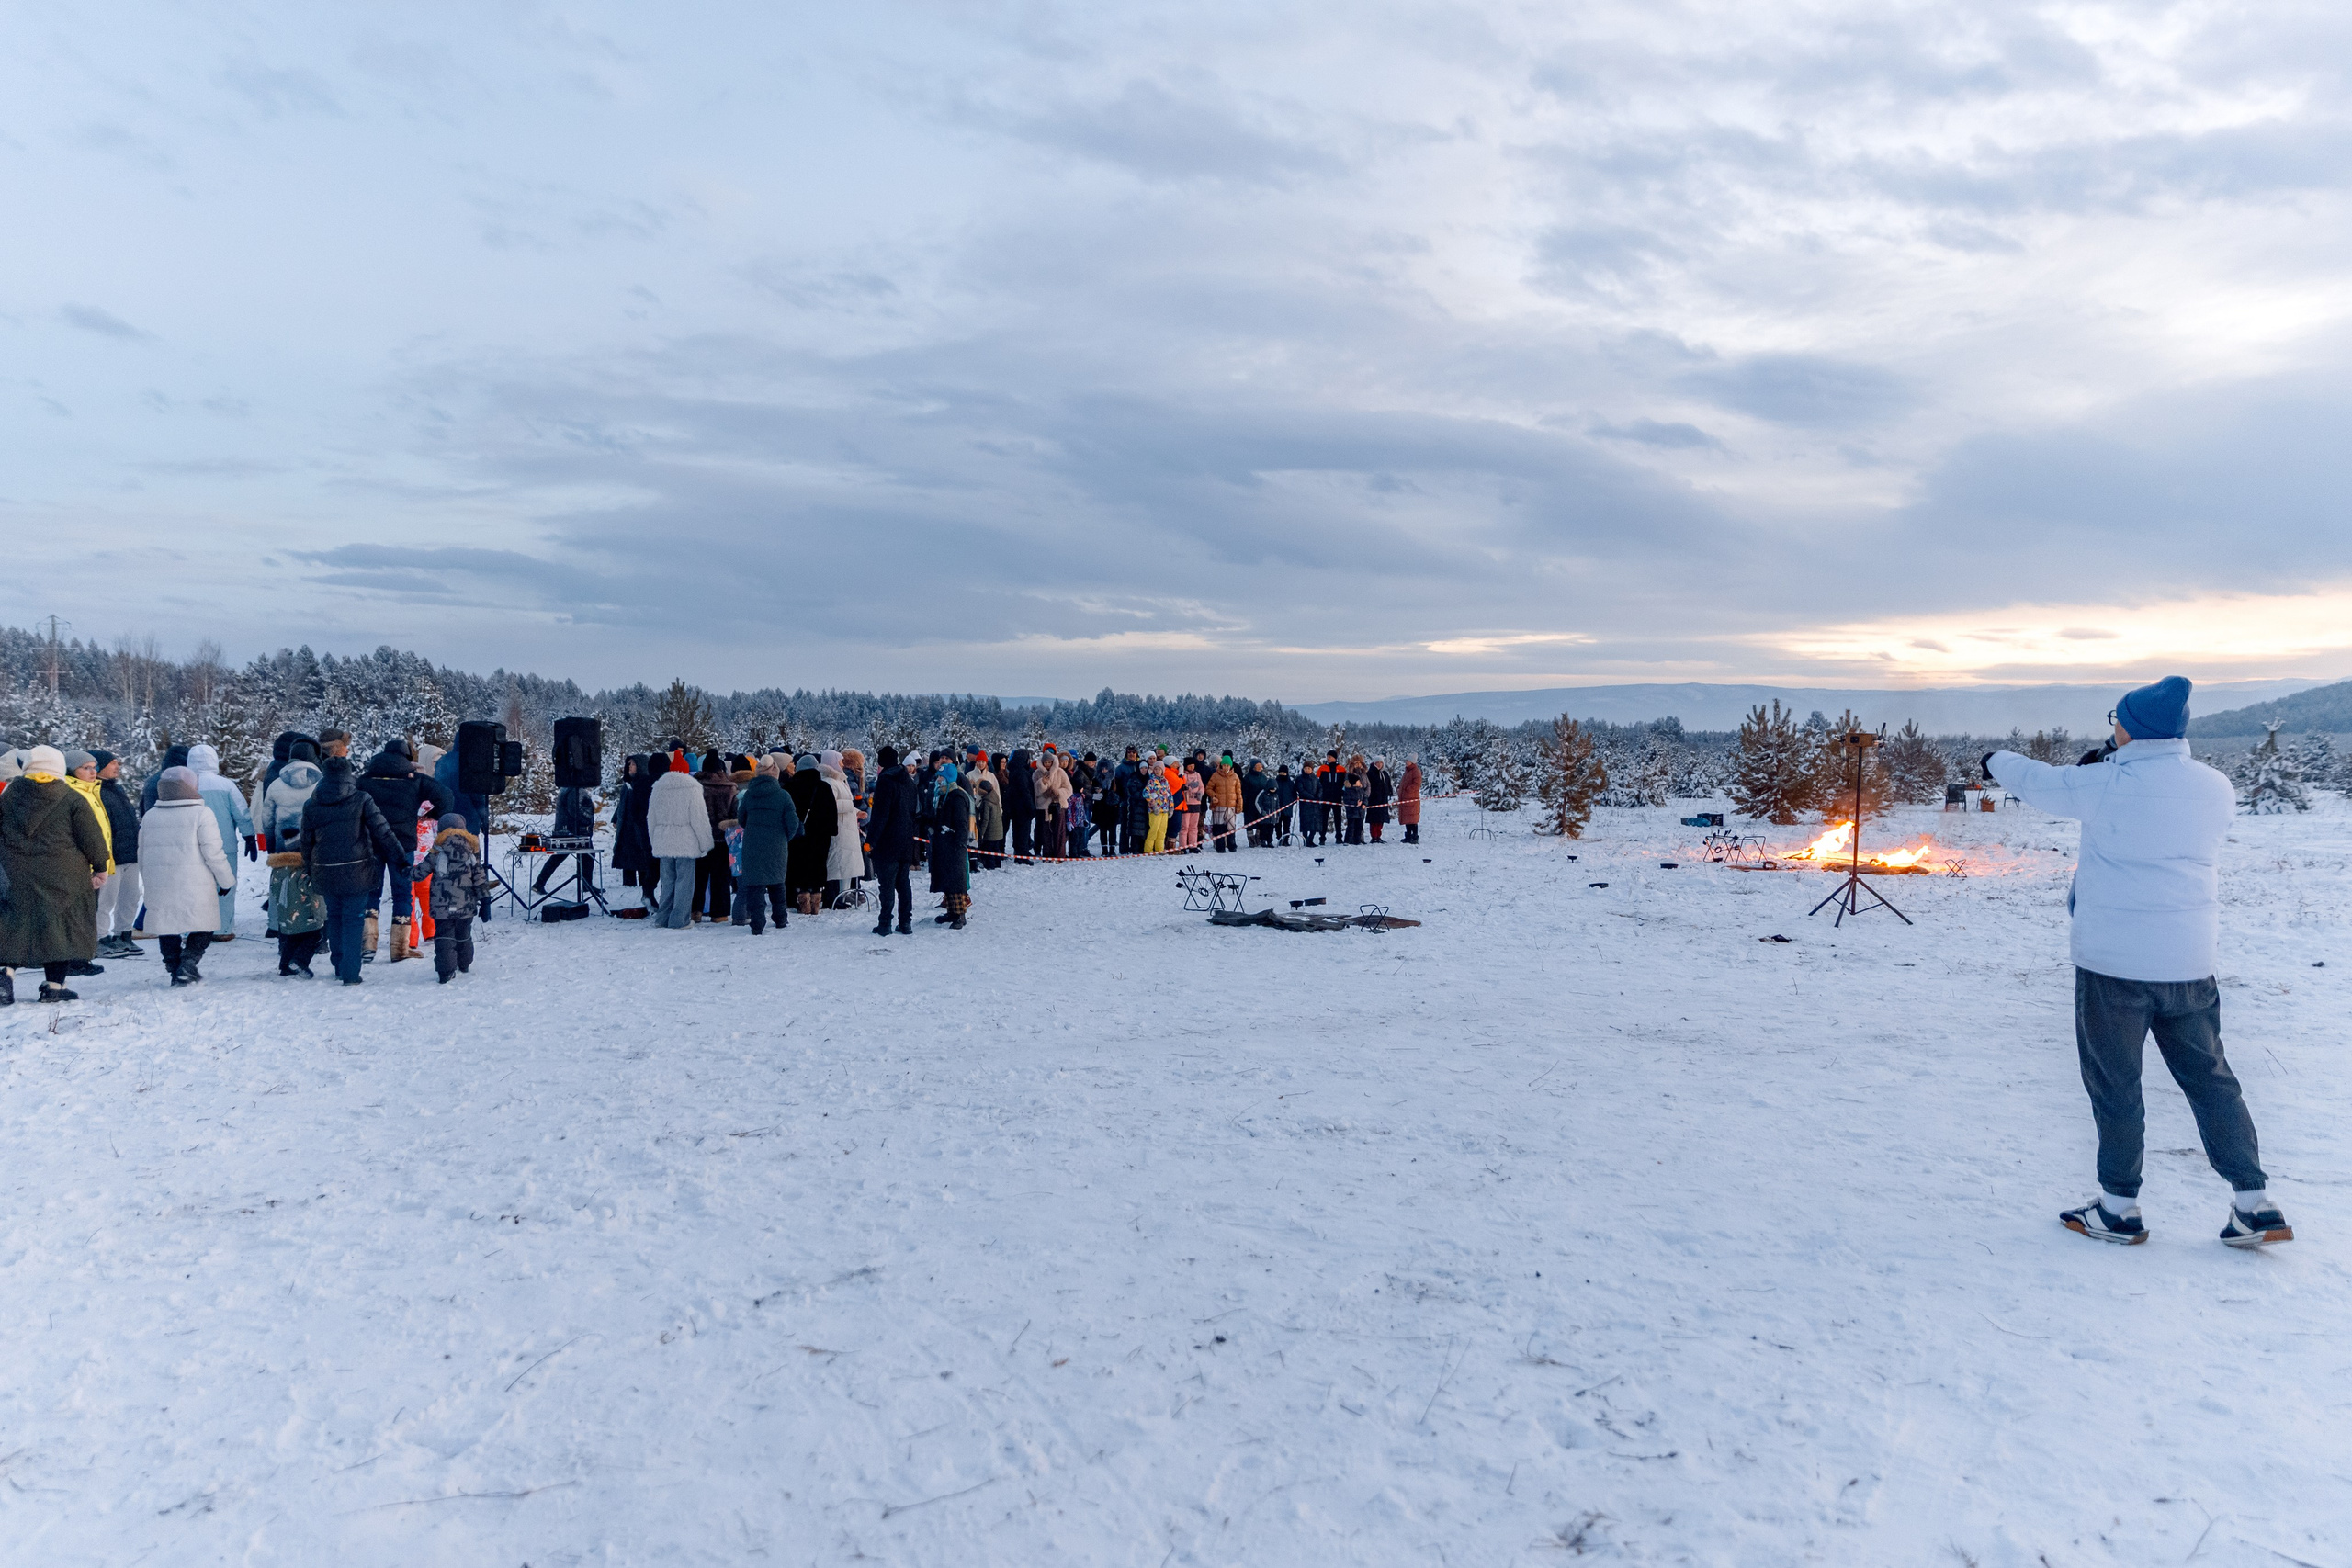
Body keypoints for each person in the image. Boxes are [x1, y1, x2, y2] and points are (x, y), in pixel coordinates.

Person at [1986, 675, 2290, 1248]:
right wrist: (2112, 764)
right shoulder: (2215, 787)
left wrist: (1993, 757)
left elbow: (2040, 782)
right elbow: (2155, 806)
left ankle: (2118, 1207)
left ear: (2131, 726)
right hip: (2190, 965)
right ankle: (2254, 1202)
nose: (2112, 727)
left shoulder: (2103, 783)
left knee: (2116, 1085)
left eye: (2115, 718)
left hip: (2114, 966)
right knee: (2211, 1082)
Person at [0, 746, 112, 1004]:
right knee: (60, 927)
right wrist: (100, 867)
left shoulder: (8, 796)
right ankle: (55, 987)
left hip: (15, 872)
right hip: (64, 875)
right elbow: (92, 839)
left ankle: (4, 976)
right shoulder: (72, 798)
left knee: (12, 924)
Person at [298, 752, 408, 985]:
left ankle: (339, 965)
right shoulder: (361, 798)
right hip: (357, 869)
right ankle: (350, 972)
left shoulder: (312, 803)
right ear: (349, 775)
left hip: (325, 868)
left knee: (334, 916)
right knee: (353, 919)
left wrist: (309, 867)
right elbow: (383, 831)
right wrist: (400, 858)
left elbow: (306, 842)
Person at [136, 765, 238, 986]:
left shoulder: (151, 815)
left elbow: (142, 852)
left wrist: (148, 879)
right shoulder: (202, 813)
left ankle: (174, 967)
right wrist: (226, 880)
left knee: (167, 925)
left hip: (160, 881)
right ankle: (188, 963)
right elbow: (213, 852)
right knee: (204, 924)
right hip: (196, 882)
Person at [357, 738, 451, 962]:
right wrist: (433, 815)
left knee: (371, 892)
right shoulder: (415, 780)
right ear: (407, 757)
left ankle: (368, 945)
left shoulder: (364, 780)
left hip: (371, 843)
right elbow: (446, 796)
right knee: (403, 894)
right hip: (403, 844)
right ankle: (399, 949)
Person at [261, 741, 328, 976]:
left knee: (286, 899)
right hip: (314, 849)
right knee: (315, 897)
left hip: (283, 851)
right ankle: (318, 941)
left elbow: (267, 819)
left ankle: (285, 947)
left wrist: (272, 846)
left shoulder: (276, 785)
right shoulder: (320, 783)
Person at [184, 742, 255, 939]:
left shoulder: (186, 785)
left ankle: (193, 928)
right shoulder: (226, 785)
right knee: (225, 886)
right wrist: (249, 836)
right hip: (224, 846)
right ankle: (222, 929)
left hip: (192, 846)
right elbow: (241, 813)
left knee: (195, 887)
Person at [412, 813, 490, 981]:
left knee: (444, 937)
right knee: (464, 935)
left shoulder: (436, 852)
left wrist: (405, 870)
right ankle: (464, 963)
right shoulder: (471, 852)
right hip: (466, 905)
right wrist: (485, 901)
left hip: (442, 905)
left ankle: (445, 971)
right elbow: (480, 878)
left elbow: (419, 874)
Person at [646, 751, 712, 929]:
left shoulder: (658, 788)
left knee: (667, 882)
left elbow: (651, 818)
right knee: (685, 882)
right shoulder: (692, 788)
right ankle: (679, 920)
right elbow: (699, 819)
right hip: (686, 843)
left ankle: (662, 918)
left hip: (664, 842)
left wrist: (655, 840)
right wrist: (706, 843)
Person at [91, 750, 144, 957]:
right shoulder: (95, 792)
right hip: (111, 857)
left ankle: (123, 935)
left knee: (130, 897)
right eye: (112, 763)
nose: (117, 766)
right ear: (100, 767)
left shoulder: (117, 789)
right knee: (106, 900)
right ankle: (100, 939)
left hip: (130, 854)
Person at [865, 746, 918, 934]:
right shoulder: (909, 782)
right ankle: (906, 923)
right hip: (906, 839)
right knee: (903, 883)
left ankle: (885, 923)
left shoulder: (885, 781)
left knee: (886, 884)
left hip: (888, 841)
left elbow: (880, 815)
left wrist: (871, 840)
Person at [784, 753, 836, 915]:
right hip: (821, 836)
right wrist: (831, 830)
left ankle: (803, 900)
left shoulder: (789, 788)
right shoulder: (824, 787)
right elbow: (832, 812)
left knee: (798, 865)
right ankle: (816, 902)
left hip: (797, 836)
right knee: (818, 865)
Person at [609, 753, 659, 913]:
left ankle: (647, 892)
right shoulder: (627, 784)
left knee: (644, 859)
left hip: (640, 827)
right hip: (627, 827)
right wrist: (616, 817)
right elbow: (622, 804)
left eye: (634, 764)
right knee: (630, 856)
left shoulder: (644, 784)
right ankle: (636, 887)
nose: (631, 767)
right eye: (629, 764)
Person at [928, 761, 973, 928]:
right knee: (947, 879)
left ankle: (960, 915)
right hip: (944, 844)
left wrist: (959, 843)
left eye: (941, 777)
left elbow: (961, 824)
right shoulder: (941, 795)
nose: (939, 780)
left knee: (956, 881)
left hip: (954, 846)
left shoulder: (957, 797)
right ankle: (951, 912)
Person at [821, 751, 864, 906]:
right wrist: (850, 806)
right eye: (840, 762)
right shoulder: (829, 782)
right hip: (839, 828)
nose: (842, 764)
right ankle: (837, 897)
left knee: (845, 865)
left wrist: (857, 812)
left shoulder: (839, 781)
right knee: (838, 864)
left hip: (846, 827)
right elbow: (829, 805)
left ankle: (843, 895)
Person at [968, 761, 1006, 870]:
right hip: (998, 831)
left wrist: (982, 833)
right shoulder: (995, 798)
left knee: (989, 850)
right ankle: (998, 864)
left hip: (990, 832)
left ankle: (990, 865)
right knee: (996, 849)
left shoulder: (986, 803)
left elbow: (985, 819)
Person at [1207, 760, 1242, 852]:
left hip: (1231, 806)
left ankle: (1232, 845)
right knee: (1219, 827)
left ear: (1230, 766)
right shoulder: (1215, 775)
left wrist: (1239, 804)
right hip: (1219, 805)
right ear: (1221, 766)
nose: (1226, 767)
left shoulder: (1235, 777)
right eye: (1224, 765)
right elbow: (1208, 788)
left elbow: (1238, 792)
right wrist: (1214, 796)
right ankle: (1220, 847)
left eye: (1228, 765)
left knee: (1231, 826)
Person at [1367, 760, 1393, 842]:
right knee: (1374, 819)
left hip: (1383, 799)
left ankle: (1378, 836)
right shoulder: (1370, 773)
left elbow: (1388, 784)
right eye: (1377, 763)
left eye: (1381, 763)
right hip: (1374, 800)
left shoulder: (1385, 774)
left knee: (1381, 819)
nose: (1379, 764)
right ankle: (1374, 836)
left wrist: (1389, 791)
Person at [1398, 760, 1423, 844]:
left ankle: (1414, 836)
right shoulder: (1407, 771)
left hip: (1412, 798)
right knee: (1407, 819)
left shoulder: (1416, 771)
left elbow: (1417, 784)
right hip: (1406, 799)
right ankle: (1408, 836)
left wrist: (1408, 789)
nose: (1406, 762)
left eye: (1408, 761)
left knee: (1413, 819)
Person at [1341, 767, 1368, 844]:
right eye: (1358, 781)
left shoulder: (1361, 790)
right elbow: (1347, 801)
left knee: (1359, 827)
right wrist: (1355, 804)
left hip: (1360, 812)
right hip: (1352, 812)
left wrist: (1364, 804)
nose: (1360, 782)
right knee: (1351, 827)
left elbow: (1365, 797)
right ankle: (1348, 840)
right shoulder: (1348, 791)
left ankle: (1357, 840)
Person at [1273, 764, 1297, 846]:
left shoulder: (1290, 783)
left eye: (1284, 773)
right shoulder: (1275, 782)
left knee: (1287, 826)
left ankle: (1286, 839)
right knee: (1278, 825)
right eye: (1281, 773)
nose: (1282, 774)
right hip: (1277, 808)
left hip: (1287, 808)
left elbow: (1294, 795)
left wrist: (1292, 802)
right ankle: (1279, 838)